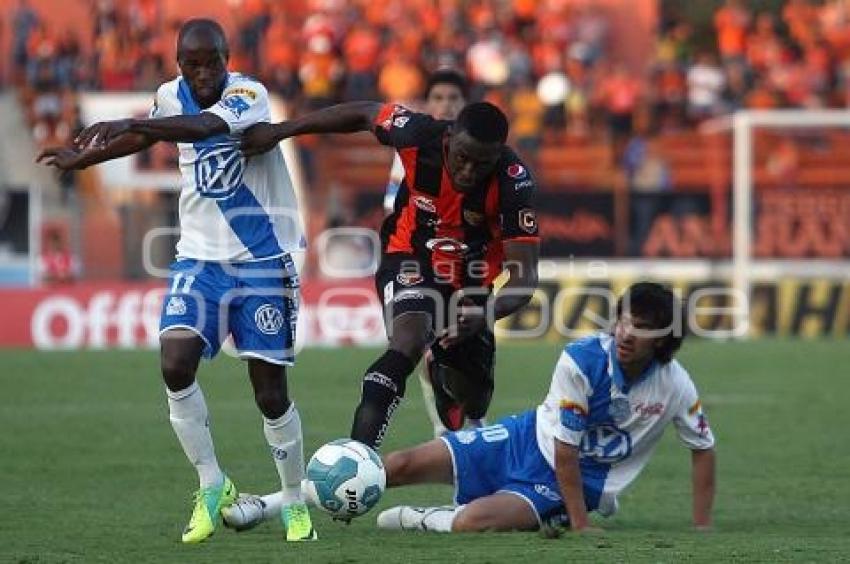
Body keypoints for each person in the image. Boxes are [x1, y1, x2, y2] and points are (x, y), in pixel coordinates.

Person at [37, 19, 316, 543]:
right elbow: (143, 135)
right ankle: (213, 484)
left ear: (228, 57)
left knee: (270, 394)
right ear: (179, 63)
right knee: (174, 362)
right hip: (200, 260)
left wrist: (130, 122)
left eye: (213, 61)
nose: (205, 72)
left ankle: (294, 499)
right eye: (194, 64)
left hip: (262, 259)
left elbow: (205, 129)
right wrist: (84, 158)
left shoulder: (248, 95)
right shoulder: (169, 96)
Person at [222, 283, 715, 534]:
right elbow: (563, 446)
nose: (628, 333)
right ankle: (266, 505)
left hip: (575, 482)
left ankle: (421, 518)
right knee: (392, 465)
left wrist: (701, 527)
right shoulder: (583, 359)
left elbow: (703, 447)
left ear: (664, 338)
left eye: (643, 328)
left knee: (470, 523)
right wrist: (583, 527)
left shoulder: (674, 385)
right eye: (625, 321)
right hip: (527, 440)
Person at [241, 99, 540, 450]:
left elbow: (524, 278)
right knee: (408, 342)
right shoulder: (418, 134)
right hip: (410, 256)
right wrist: (281, 131)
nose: (469, 172)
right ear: (449, 139)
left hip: (472, 278)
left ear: (498, 155)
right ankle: (357, 456)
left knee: (473, 398)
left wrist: (485, 314)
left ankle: (446, 386)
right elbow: (363, 112)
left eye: (482, 164)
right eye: (462, 158)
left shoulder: (513, 182)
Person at [382, 68, 474, 439]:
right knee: (425, 343)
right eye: (437, 98)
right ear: (427, 104)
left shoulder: (482, 150)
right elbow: (393, 207)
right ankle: (444, 429)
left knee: (464, 348)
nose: (445, 104)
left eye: (453, 98)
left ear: (465, 104)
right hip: (423, 259)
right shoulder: (412, 148)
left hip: (470, 264)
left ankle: (470, 416)